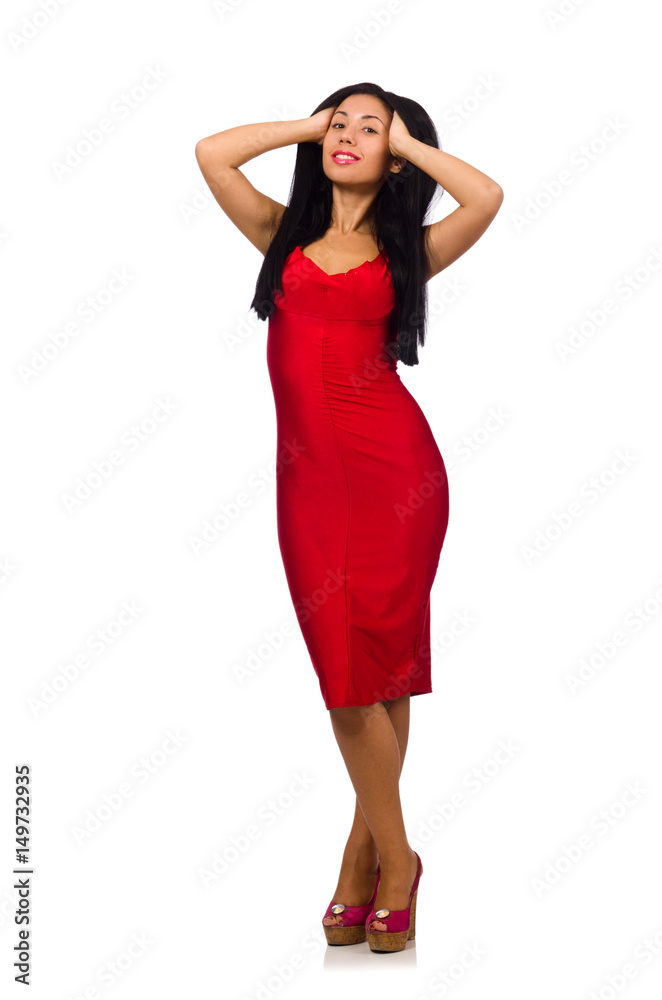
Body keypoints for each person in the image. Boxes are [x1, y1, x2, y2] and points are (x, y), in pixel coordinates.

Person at [195, 83, 503, 953]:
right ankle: (393, 855)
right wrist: (313, 125)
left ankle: (369, 860)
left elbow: (486, 195)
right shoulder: (280, 235)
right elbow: (212, 153)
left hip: (398, 477)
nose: (349, 135)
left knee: (381, 668)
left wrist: (405, 142)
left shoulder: (410, 253)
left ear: (396, 154)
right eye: (341, 123)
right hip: (307, 487)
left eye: (370, 129)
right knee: (347, 671)